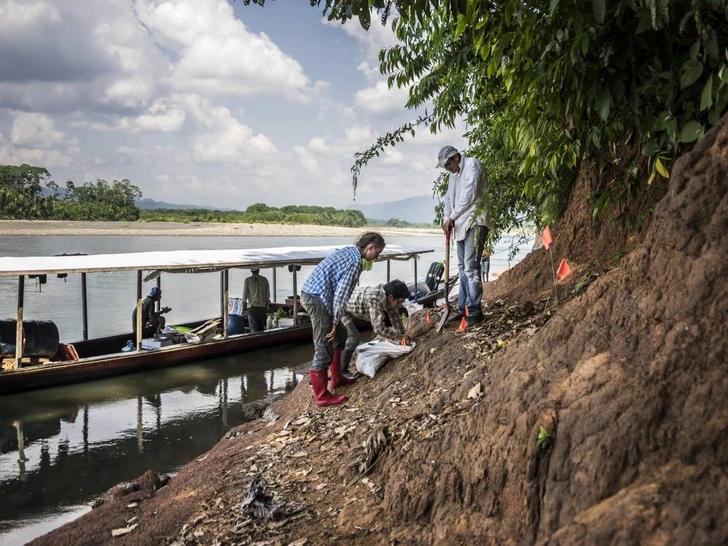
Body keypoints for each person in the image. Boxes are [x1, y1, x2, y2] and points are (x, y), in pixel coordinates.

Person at [301, 232, 386, 407]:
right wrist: (334, 320)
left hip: (318, 295)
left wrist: (336, 320)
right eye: (377, 253)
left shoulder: (350, 251)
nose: (376, 258)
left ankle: (337, 377)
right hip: (317, 298)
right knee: (324, 344)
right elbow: (341, 294)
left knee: (340, 335)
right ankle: (322, 396)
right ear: (370, 247)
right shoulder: (355, 263)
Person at [437, 145, 490, 326]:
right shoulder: (453, 176)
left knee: (471, 267)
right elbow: (448, 200)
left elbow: (470, 194)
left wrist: (452, 217)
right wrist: (447, 219)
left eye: (447, 164)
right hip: (460, 225)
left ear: (456, 157)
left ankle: (474, 310)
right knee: (462, 268)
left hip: (476, 221)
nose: (447, 168)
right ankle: (463, 308)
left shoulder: (472, 165)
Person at [340, 279, 410, 377]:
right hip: (342, 308)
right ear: (391, 297)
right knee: (354, 338)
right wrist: (398, 337)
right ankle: (343, 371)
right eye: (399, 302)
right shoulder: (376, 300)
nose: (400, 305)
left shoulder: (388, 297)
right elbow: (378, 328)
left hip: (352, 303)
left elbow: (395, 317)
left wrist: (402, 334)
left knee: (347, 339)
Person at [242, 269, 270, 333]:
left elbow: (244, 293)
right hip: (263, 307)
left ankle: (255, 340)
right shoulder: (264, 280)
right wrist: (267, 304)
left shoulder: (248, 280)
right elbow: (267, 294)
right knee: (262, 327)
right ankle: (262, 340)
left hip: (253, 306)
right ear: (259, 270)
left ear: (251, 271)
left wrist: (243, 304)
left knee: (254, 328)